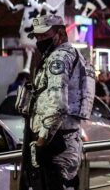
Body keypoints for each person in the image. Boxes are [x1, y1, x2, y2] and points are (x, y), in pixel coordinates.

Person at [27, 14, 94, 190]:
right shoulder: (74, 54)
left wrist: (41, 143)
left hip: (56, 145)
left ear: (61, 33)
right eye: (37, 36)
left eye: (45, 35)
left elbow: (58, 105)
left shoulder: (58, 58)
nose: (40, 40)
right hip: (67, 140)